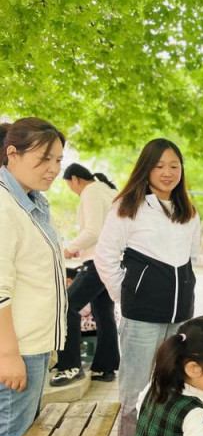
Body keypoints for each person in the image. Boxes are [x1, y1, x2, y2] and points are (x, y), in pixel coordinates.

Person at [95, 138, 201, 436]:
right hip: (141, 317)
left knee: (172, 384)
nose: (167, 172)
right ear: (146, 168)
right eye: (159, 166)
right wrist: (127, 298)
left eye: (174, 165)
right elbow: (105, 257)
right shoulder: (128, 206)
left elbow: (192, 258)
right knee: (136, 387)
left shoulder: (188, 211)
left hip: (180, 318)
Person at [0, 118, 67, 436]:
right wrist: (8, 355)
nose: (53, 169)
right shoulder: (4, 205)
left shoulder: (33, 203)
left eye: (58, 160)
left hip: (33, 347)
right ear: (12, 153)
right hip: (17, 350)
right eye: (44, 159)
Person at [50, 163, 120, 386]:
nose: (73, 190)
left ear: (75, 179)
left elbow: (93, 230)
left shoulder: (90, 191)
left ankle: (70, 367)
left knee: (66, 306)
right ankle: (104, 368)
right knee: (103, 313)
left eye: (70, 185)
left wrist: (68, 249)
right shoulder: (108, 191)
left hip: (97, 263)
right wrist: (82, 248)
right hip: (112, 261)